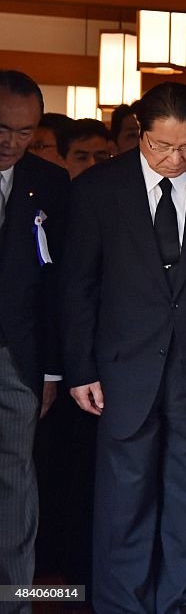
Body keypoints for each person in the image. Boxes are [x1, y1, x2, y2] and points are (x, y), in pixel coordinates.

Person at [62, 81, 186, 613]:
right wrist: (79, 368)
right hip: (124, 369)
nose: (175, 159)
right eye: (162, 146)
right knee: (124, 500)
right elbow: (78, 285)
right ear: (140, 135)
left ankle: (180, 605)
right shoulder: (99, 188)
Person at [0, 70, 69, 611]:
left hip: (17, 357)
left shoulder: (47, 182)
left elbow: (57, 285)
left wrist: (50, 370)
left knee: (15, 488)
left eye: (24, 132)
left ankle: (15, 602)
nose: (10, 142)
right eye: (0, 128)